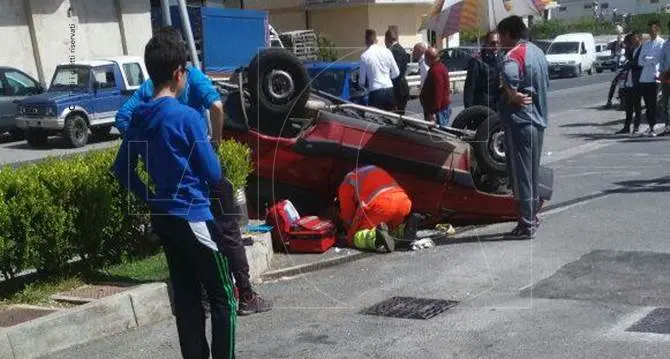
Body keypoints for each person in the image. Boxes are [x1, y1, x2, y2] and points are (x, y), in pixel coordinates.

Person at [115, 27, 271, 316]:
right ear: (179, 68)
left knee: (189, 249)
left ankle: (203, 301)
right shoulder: (191, 80)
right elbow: (215, 106)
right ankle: (245, 295)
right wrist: (213, 143)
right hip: (200, 172)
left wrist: (151, 146)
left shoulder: (150, 88)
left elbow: (123, 118)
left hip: (169, 192)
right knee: (227, 233)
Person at [112, 33, 236, 359]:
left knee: (186, 297)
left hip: (164, 219)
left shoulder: (138, 118)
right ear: (180, 73)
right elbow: (212, 174)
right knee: (224, 296)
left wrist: (151, 197)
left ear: (150, 72)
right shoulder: (188, 118)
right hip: (194, 216)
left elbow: (122, 170)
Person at [497, 15, 549, 239]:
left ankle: (526, 224)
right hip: (538, 121)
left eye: (500, 36)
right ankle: (532, 218)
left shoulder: (514, 54)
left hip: (520, 122)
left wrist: (511, 93)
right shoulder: (538, 53)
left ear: (509, 33)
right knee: (532, 173)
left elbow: (509, 75)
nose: (499, 40)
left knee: (522, 176)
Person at [337, 165, 416, 253]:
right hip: (404, 202)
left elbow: (347, 216)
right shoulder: (370, 169)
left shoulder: (347, 182)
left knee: (355, 237)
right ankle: (402, 232)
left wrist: (346, 232)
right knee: (389, 229)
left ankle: (376, 238)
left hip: (383, 205)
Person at [359, 29, 400, 111]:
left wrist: (363, 86)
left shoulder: (364, 56)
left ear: (366, 40)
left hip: (375, 92)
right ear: (376, 40)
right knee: (391, 118)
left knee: (376, 119)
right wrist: (387, 78)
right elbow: (396, 73)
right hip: (389, 89)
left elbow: (362, 82)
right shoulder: (387, 51)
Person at [637, 20, 665, 137]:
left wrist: (648, 59)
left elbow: (658, 59)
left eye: (652, 28)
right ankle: (650, 125)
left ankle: (653, 127)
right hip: (644, 78)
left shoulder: (661, 43)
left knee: (653, 104)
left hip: (655, 77)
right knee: (647, 104)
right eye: (648, 29)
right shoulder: (646, 44)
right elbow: (640, 61)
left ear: (657, 29)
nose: (650, 31)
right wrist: (649, 60)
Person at [464, 31, 502, 110]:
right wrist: (469, 111)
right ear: (486, 43)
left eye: (498, 43)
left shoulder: (501, 59)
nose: (496, 46)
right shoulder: (477, 61)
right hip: (482, 106)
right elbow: (469, 88)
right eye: (492, 43)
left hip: (498, 106)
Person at [616, 32, 643, 135]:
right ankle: (626, 126)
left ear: (639, 38)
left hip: (637, 80)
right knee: (628, 107)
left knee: (637, 106)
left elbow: (640, 63)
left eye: (634, 38)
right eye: (631, 39)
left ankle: (636, 126)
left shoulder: (642, 49)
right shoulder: (631, 49)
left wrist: (630, 64)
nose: (633, 41)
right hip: (629, 80)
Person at [420, 47, 451, 128]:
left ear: (429, 58)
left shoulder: (436, 71)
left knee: (437, 134)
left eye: (425, 57)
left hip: (438, 111)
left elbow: (438, 93)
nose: (425, 60)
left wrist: (433, 112)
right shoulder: (440, 67)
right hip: (439, 109)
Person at [385, 28, 410, 115]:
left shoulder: (395, 51)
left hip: (399, 88)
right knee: (400, 114)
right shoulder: (400, 49)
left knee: (398, 115)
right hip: (402, 86)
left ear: (387, 39)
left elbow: (396, 72)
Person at [658, 20, 670, 136]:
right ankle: (667, 126)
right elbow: (661, 59)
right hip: (667, 76)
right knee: (665, 103)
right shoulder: (666, 44)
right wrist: (662, 71)